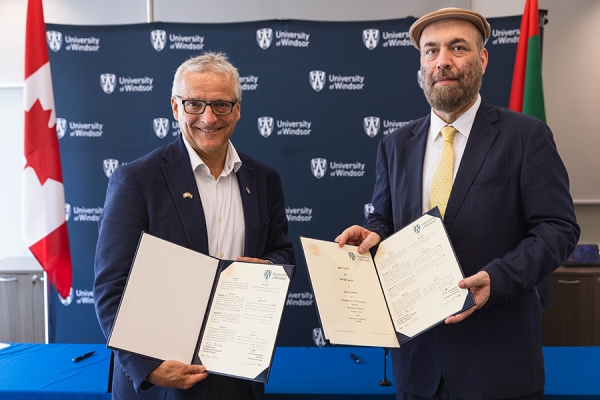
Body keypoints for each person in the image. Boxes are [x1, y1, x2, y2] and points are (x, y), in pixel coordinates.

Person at [336, 8, 579, 400]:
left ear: (482, 59)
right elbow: (384, 217)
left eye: (457, 48)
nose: (442, 61)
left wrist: (497, 279)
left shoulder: (526, 136)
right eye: (430, 51)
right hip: (418, 369)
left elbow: (558, 229)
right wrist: (373, 234)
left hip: (499, 369)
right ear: (421, 65)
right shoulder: (394, 145)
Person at [94, 52, 294, 400]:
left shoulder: (265, 178)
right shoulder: (136, 180)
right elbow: (112, 286)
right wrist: (148, 366)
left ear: (238, 109)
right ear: (175, 107)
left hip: (238, 375)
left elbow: (281, 251)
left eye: (221, 105)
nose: (208, 117)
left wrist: (269, 270)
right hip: (162, 381)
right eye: (194, 104)